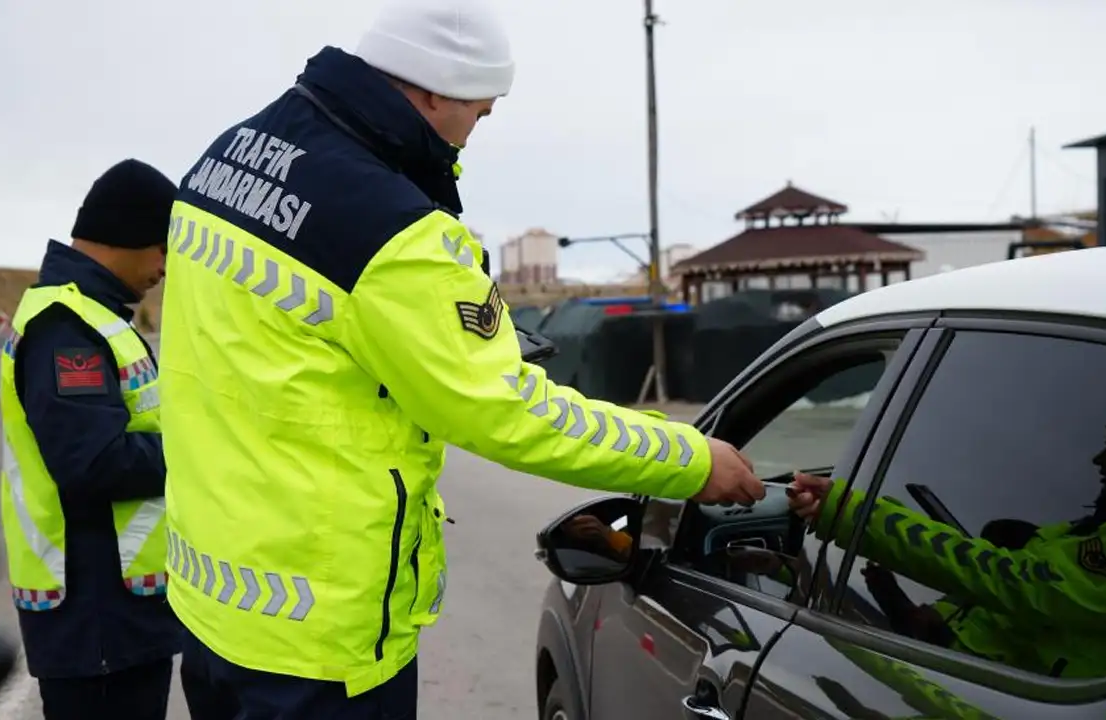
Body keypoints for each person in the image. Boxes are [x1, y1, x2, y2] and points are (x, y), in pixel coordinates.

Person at [158, 0, 762, 716]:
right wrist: (692, 460)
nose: (478, 131)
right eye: (480, 111)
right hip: (317, 637)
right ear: (433, 90)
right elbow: (507, 411)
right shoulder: (392, 228)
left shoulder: (227, 158)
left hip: (213, 602)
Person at [787, 406, 1106, 679]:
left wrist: (853, 514)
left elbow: (1005, 579)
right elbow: (1008, 608)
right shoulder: (1085, 533)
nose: (1099, 459)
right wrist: (925, 617)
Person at [0, 159, 181, 719]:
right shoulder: (67, 328)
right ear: (132, 235)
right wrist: (196, 448)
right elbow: (95, 462)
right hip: (94, 615)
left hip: (117, 610)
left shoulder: (98, 316)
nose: (166, 267)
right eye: (163, 248)